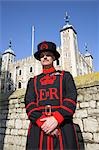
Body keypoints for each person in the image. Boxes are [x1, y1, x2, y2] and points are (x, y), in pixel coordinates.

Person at [25, 41, 79, 150]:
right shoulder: (33, 81)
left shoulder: (65, 76)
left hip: (62, 126)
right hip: (38, 129)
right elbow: (29, 103)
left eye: (48, 55)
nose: (45, 57)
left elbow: (71, 98)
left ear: (54, 57)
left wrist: (57, 119)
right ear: (40, 59)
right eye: (42, 56)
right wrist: (43, 123)